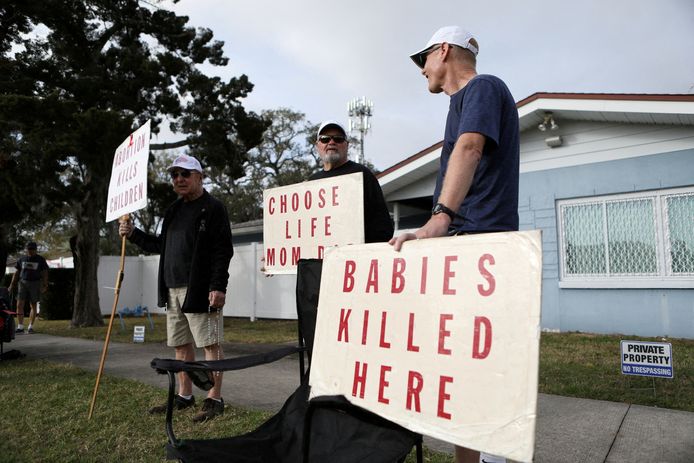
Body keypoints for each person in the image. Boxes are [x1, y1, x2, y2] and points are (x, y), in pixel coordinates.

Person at [390, 26, 520, 463]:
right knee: (460, 369)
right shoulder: (456, 105)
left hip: (481, 243)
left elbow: (469, 148)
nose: (422, 68)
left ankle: (496, 457)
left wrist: (439, 217)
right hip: (466, 244)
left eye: (423, 58)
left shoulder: (483, 87)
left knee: (483, 371)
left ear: (444, 51)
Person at [119, 154, 234, 423]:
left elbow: (222, 250)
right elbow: (161, 245)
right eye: (174, 175)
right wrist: (133, 233)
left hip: (201, 289)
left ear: (199, 176)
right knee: (180, 346)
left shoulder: (213, 207)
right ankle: (185, 395)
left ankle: (214, 399)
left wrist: (218, 286)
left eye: (185, 174)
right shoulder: (173, 210)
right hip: (171, 289)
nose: (179, 179)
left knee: (210, 344)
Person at [310, 120, 393, 243]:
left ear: (347, 145)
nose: (331, 142)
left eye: (338, 139)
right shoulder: (311, 182)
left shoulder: (362, 174)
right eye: (325, 139)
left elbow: (383, 225)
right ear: (318, 146)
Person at [9, 241, 48, 334]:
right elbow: (17, 273)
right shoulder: (22, 259)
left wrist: (45, 285)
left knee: (33, 305)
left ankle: (30, 326)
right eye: (29, 249)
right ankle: (20, 327)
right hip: (23, 282)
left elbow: (45, 273)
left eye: (32, 249)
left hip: (35, 283)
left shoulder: (40, 260)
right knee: (19, 305)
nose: (30, 251)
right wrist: (11, 284)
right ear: (26, 249)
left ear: (35, 250)